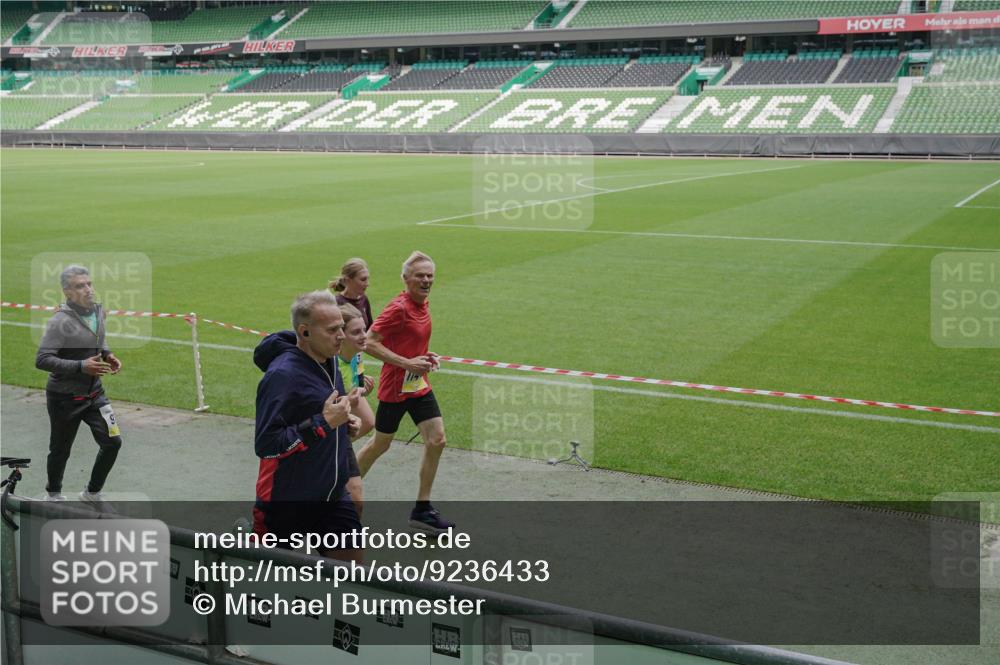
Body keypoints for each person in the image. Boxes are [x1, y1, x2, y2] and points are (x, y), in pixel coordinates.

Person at [252, 290, 364, 561]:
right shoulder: (282, 376)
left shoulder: (331, 360)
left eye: (341, 327)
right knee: (269, 589)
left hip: (332, 497)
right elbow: (267, 444)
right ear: (304, 332)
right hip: (285, 501)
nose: (341, 335)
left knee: (352, 578)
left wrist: (343, 423)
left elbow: (324, 413)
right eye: (332, 330)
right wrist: (323, 423)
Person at [357, 251, 453, 534]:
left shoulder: (422, 303)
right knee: (380, 444)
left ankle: (422, 510)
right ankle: (340, 489)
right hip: (395, 388)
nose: (426, 280)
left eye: (430, 275)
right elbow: (369, 342)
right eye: (420, 275)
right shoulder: (398, 307)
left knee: (437, 440)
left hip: (417, 384)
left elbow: (408, 341)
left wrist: (423, 356)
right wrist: (407, 362)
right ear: (406, 279)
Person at [35, 265, 123, 505]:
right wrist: (81, 366)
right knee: (61, 450)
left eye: (89, 284)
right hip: (64, 398)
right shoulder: (59, 322)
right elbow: (42, 360)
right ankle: (53, 495)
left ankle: (91, 493)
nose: (87, 289)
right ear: (67, 291)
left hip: (95, 394)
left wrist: (107, 354)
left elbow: (99, 338)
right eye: (80, 286)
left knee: (113, 442)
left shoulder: (99, 311)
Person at [330, 258, 374, 330]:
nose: (367, 284)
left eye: (367, 279)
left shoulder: (364, 299)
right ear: (348, 280)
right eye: (363, 279)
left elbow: (369, 328)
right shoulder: (336, 303)